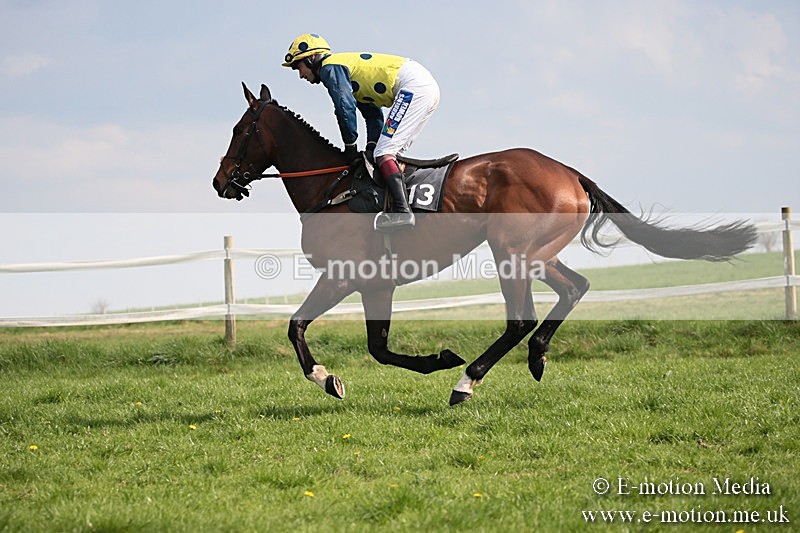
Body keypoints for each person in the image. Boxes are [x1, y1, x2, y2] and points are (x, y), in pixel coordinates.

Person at [282, 33, 440, 230]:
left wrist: (350, 147)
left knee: (385, 153)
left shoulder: (330, 68)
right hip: (421, 86)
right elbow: (373, 115)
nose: (301, 75)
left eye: (299, 67)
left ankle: (402, 211)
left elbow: (344, 107)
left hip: (413, 87)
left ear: (311, 58)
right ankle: (398, 204)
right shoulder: (347, 72)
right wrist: (370, 146)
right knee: (386, 153)